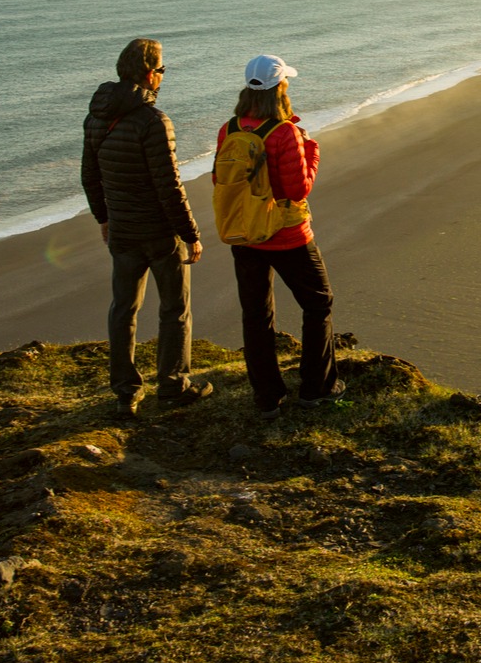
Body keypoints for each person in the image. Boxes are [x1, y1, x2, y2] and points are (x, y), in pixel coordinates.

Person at [81, 37, 213, 418]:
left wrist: (104, 219)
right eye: (162, 70)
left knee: (123, 309)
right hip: (158, 233)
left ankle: (125, 393)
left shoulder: (96, 118)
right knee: (175, 309)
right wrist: (191, 233)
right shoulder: (154, 121)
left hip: (122, 231)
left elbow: (90, 176)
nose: (163, 78)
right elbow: (169, 184)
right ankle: (173, 386)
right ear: (149, 73)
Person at [214, 53, 343, 418]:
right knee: (318, 303)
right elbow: (297, 189)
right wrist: (311, 150)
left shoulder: (230, 129)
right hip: (286, 235)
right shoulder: (285, 132)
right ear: (280, 86)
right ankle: (318, 387)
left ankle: (267, 397)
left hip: (245, 235)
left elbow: (220, 181)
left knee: (256, 315)